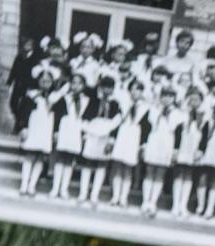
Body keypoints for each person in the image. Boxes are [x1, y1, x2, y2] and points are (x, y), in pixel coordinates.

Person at [77, 76, 123, 208]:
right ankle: (83, 193)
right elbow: (85, 118)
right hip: (92, 135)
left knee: (101, 165)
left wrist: (111, 140)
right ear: (101, 88)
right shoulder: (93, 101)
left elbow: (117, 124)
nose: (107, 90)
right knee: (87, 164)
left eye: (110, 87)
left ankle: (94, 195)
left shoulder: (115, 104)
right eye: (105, 87)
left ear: (113, 89)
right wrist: (85, 133)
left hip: (105, 136)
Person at [139, 86, 182, 218]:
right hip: (154, 140)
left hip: (167, 142)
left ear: (174, 98)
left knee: (160, 173)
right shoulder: (153, 110)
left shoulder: (178, 114)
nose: (167, 99)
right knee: (150, 171)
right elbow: (145, 127)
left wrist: (175, 150)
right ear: (160, 97)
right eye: (164, 96)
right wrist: (144, 144)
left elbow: (178, 133)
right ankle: (145, 201)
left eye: (170, 96)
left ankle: (153, 202)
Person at [17, 64, 57, 196]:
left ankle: (32, 186)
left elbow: (58, 117)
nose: (45, 83)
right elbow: (23, 113)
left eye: (48, 81)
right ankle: (24, 185)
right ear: (38, 81)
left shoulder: (55, 97)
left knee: (40, 157)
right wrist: (23, 127)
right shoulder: (31, 95)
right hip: (33, 128)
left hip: (46, 130)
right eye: (42, 80)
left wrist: (55, 132)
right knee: (30, 156)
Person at [108, 80, 148, 209]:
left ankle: (123, 197)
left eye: (139, 89)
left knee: (128, 169)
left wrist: (142, 145)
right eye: (133, 89)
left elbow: (146, 127)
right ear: (129, 90)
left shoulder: (146, 107)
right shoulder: (123, 105)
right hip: (122, 134)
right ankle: (115, 196)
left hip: (134, 137)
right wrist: (112, 140)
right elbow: (116, 123)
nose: (135, 92)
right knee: (118, 166)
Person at [171, 87, 208, 219]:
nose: (194, 102)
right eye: (191, 99)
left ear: (201, 101)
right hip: (182, 146)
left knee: (188, 176)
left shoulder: (204, 116)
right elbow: (176, 133)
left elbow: (205, 135)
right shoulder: (182, 114)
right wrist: (175, 149)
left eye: (197, 99)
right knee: (179, 174)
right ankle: (175, 205)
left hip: (194, 147)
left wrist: (200, 150)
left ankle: (183, 205)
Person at [49, 74, 87, 201]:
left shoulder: (86, 100)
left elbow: (87, 118)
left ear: (83, 86)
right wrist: (55, 131)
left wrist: (84, 134)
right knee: (60, 159)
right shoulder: (64, 98)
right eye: (74, 83)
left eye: (79, 83)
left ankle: (64, 189)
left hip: (76, 132)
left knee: (70, 161)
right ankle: (55, 188)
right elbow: (57, 116)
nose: (76, 86)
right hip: (64, 130)